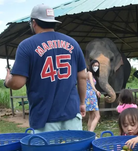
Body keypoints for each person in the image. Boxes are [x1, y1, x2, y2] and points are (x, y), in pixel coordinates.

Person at [4, 4, 87, 133]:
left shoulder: (26, 46)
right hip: (71, 113)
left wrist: (8, 80)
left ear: (34, 22)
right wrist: (82, 103)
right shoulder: (72, 43)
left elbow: (17, 83)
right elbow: (82, 76)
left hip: (44, 118)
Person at [85, 60, 101, 132]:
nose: (96, 67)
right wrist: (96, 90)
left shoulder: (91, 74)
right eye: (94, 65)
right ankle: (91, 132)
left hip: (88, 95)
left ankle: (89, 132)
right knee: (97, 116)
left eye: (97, 66)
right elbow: (91, 84)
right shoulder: (89, 73)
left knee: (91, 116)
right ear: (91, 66)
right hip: (91, 94)